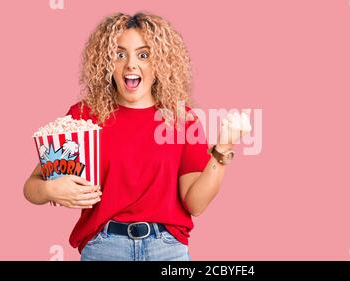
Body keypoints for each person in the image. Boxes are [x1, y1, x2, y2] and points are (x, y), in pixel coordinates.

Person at [23, 12, 248, 261]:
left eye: (143, 55)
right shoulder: (83, 116)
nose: (130, 64)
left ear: (160, 63)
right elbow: (31, 187)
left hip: (167, 250)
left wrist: (223, 148)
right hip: (104, 249)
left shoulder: (182, 119)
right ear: (107, 63)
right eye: (120, 55)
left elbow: (196, 204)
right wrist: (49, 189)